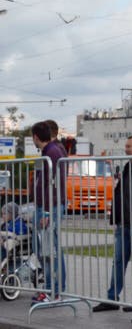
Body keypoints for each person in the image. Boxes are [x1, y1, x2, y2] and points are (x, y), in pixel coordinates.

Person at [93, 134, 132, 313]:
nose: (126, 149)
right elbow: (120, 195)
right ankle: (112, 298)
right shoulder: (127, 167)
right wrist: (115, 218)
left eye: (129, 146)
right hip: (124, 224)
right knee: (118, 261)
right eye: (126, 146)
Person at [30, 120, 67, 303]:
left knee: (49, 251)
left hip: (49, 208)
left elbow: (53, 185)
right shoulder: (50, 151)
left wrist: (45, 212)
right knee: (46, 249)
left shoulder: (52, 152)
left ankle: (54, 290)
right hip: (46, 206)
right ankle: (52, 288)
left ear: (36, 137)